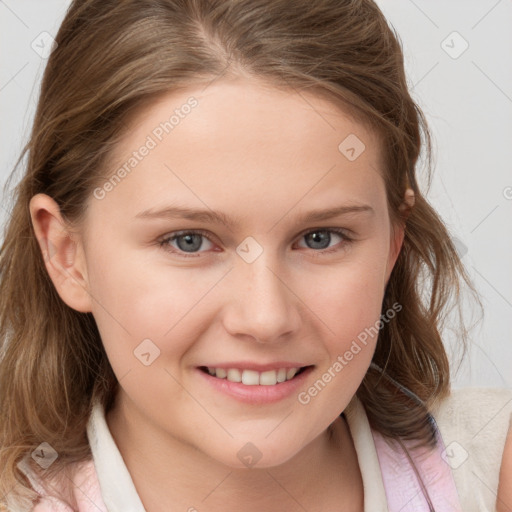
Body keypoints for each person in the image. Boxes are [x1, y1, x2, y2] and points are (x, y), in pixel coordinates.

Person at [0, 1, 510, 511]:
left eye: (320, 238)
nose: (265, 319)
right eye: (189, 241)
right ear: (67, 255)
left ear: (393, 242)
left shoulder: (491, 470)